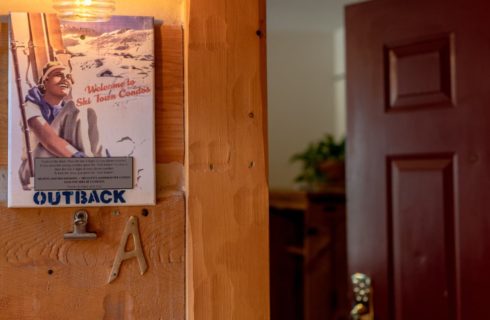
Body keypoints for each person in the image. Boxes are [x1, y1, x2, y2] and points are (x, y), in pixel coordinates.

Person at [19, 61, 102, 189]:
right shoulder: (30, 105)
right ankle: (88, 170)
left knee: (89, 111)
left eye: (68, 77)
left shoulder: (65, 111)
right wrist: (80, 160)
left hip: (61, 166)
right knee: (75, 108)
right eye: (58, 75)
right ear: (45, 81)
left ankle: (100, 164)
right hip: (35, 168)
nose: (65, 79)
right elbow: (48, 139)